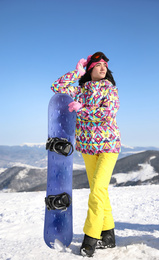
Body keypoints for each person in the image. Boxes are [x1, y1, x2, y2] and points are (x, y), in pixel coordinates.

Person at [51, 52, 121, 257]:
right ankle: (108, 235)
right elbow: (57, 88)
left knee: (97, 190)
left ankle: (91, 237)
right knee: (100, 192)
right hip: (88, 148)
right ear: (90, 69)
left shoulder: (110, 90)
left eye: (105, 65)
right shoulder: (80, 91)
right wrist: (75, 72)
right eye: (98, 65)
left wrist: (82, 111)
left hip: (109, 146)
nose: (103, 68)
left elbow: (107, 113)